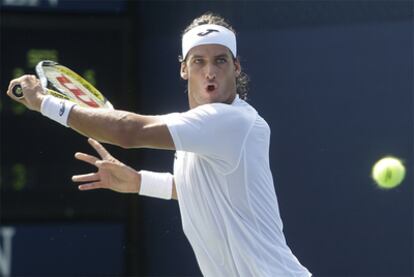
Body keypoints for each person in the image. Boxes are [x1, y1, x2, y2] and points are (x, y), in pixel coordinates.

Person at [7, 12, 311, 277]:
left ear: (236, 67)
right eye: (198, 61)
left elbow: (128, 131)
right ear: (183, 68)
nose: (210, 71)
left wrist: (44, 103)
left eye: (220, 60)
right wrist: (140, 182)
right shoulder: (203, 131)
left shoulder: (232, 122)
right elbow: (201, 189)